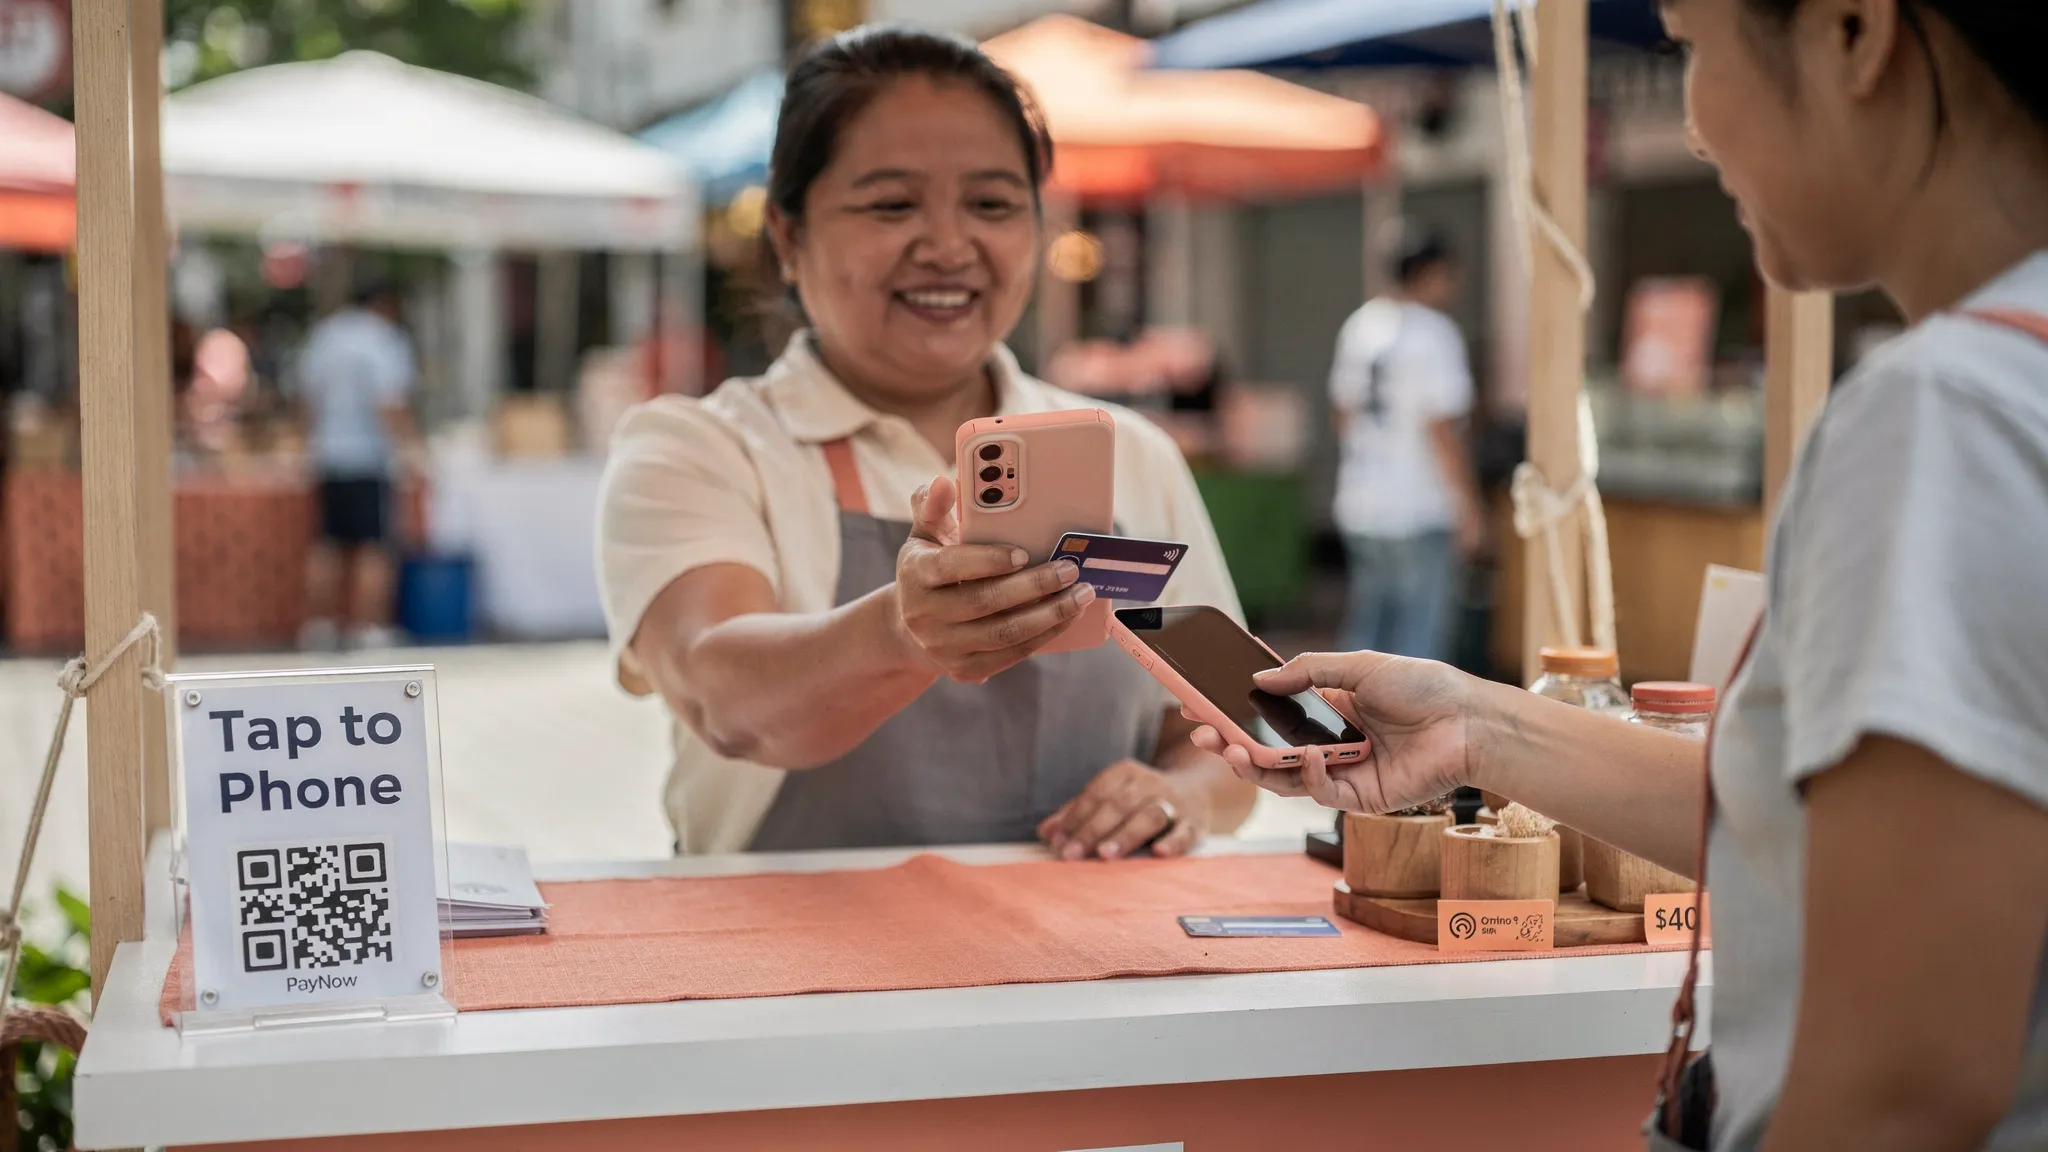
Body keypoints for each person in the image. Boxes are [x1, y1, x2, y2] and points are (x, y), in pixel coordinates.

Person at [1199, 1, 2048, 1148]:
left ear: (1853, 33)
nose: (1693, 128)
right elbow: (1825, 834)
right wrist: (1472, 727)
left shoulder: (1941, 411)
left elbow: (1902, 1084)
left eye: (1691, 46)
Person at [597, 26, 1255, 857]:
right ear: (788, 236)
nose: (948, 247)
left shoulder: (1131, 453)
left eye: (992, 204)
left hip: (1093, 967)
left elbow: (1227, 725)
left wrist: (1177, 793)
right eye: (891, 205)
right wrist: (900, 634)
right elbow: (723, 696)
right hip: (791, 973)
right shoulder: (698, 450)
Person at [1327, 229, 1482, 660]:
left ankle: (1337, 721)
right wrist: (1467, 504)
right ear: (1431, 272)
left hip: (1363, 500)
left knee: (1368, 631)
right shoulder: (1435, 333)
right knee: (1418, 642)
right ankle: (1407, 729)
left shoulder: (1360, 326)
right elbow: (1442, 427)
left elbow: (1342, 414)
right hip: (1418, 504)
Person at [292, 280, 419, 651]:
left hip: (328, 454)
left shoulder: (326, 336)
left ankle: (318, 625)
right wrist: (410, 449)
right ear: (385, 303)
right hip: (368, 456)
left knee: (327, 543)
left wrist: (306, 444)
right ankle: (367, 626)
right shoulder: (383, 339)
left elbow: (307, 400)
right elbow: (389, 403)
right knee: (373, 545)